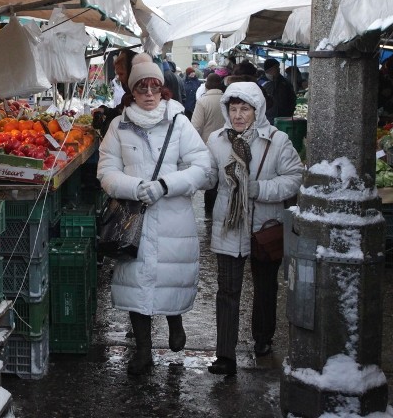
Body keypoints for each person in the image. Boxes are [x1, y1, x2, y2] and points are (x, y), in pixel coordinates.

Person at [97, 53, 211, 375]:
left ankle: (175, 322)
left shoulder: (179, 123)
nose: (148, 94)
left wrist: (166, 185)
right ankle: (143, 350)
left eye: (154, 87)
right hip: (134, 219)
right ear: (131, 92)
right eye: (142, 87)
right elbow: (106, 172)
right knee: (137, 282)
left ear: (163, 90)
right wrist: (135, 187)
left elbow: (202, 166)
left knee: (170, 275)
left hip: (173, 215)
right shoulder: (119, 127)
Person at [205, 81, 302, 376]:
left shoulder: (277, 140)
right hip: (229, 224)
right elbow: (209, 176)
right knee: (227, 290)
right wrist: (196, 175)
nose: (238, 115)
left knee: (265, 288)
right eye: (233, 109)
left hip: (265, 225)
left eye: (244, 108)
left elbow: (294, 177)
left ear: (256, 109)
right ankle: (225, 354)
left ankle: (263, 339)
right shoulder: (216, 140)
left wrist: (258, 188)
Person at [191, 73, 226, 214]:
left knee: (211, 181)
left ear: (206, 86)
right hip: (227, 144)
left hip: (208, 146)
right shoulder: (227, 100)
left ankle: (209, 212)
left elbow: (196, 127)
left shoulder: (202, 101)